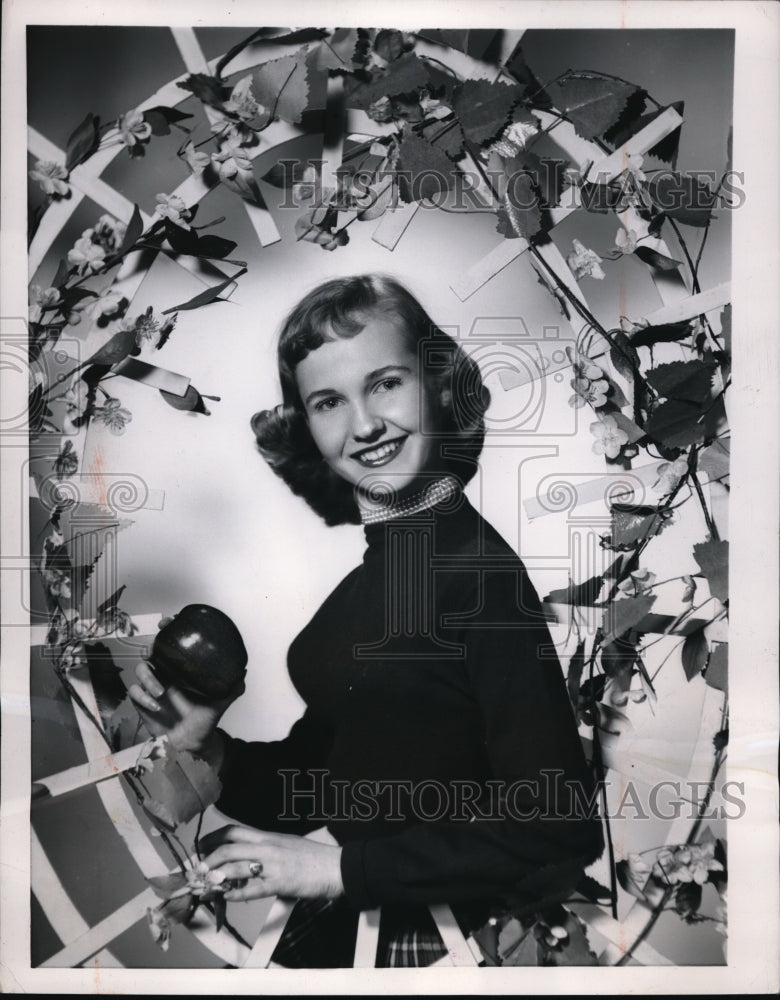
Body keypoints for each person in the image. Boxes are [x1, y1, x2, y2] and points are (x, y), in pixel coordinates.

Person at [129, 273, 603, 967]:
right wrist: (210, 745)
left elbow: (558, 825)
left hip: (434, 949)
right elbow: (326, 787)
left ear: (439, 385)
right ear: (307, 426)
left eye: (385, 383)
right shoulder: (381, 576)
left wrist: (337, 871)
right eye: (329, 401)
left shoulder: (479, 578)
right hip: (350, 941)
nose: (365, 425)